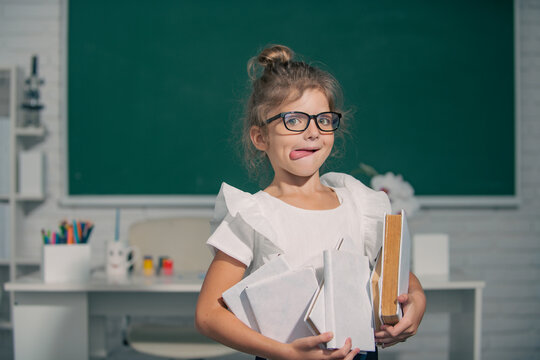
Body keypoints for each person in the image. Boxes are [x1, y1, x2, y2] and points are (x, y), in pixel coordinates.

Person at [195, 44, 426, 360]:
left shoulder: (360, 204)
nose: (313, 133)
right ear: (261, 138)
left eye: (323, 120)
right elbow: (209, 314)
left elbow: (398, 277)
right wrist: (287, 353)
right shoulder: (251, 215)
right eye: (294, 120)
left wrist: (417, 301)